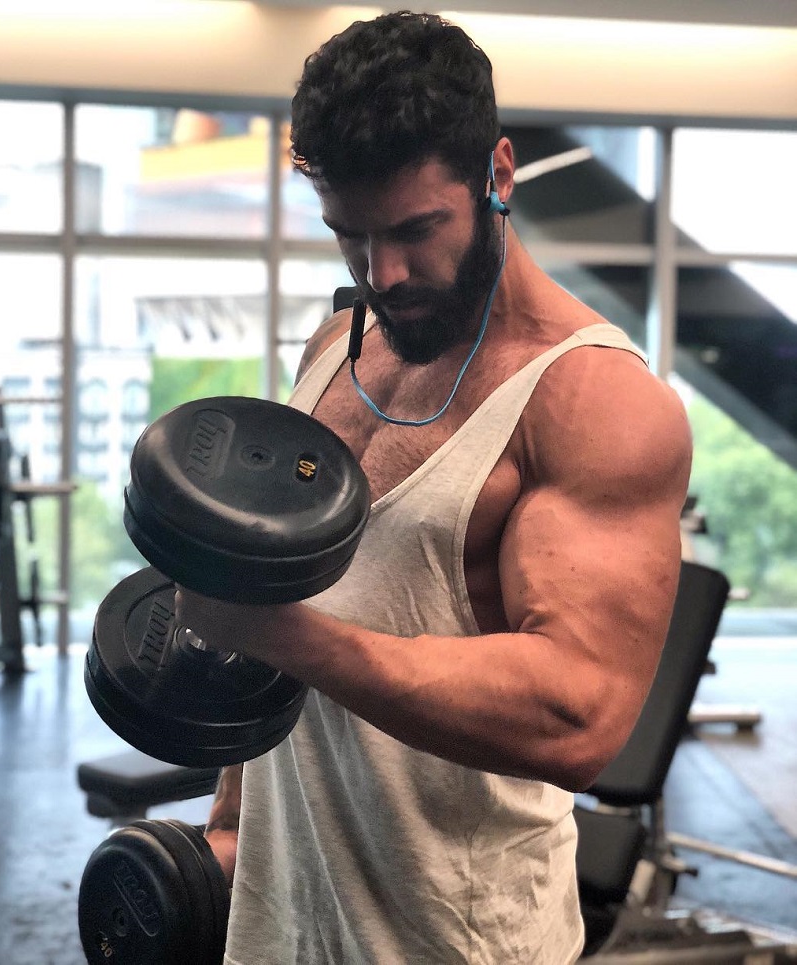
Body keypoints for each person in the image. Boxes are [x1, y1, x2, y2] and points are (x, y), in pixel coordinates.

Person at [175, 11, 693, 964]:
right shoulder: (337, 347)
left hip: (456, 938)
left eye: (417, 230)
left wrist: (281, 634)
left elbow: (579, 710)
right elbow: (285, 603)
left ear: (497, 175)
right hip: (281, 917)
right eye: (350, 237)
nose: (385, 274)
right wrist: (229, 818)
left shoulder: (593, 400)